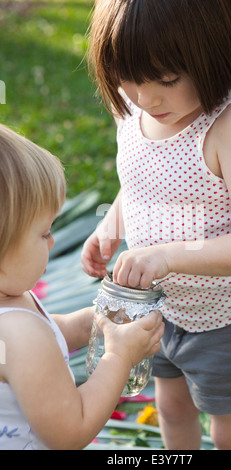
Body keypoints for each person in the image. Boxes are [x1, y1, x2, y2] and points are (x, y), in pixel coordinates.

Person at [81, 0, 231, 450]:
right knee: (172, 412)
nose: (146, 97)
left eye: (168, 80)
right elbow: (140, 184)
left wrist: (166, 256)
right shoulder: (134, 108)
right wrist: (110, 227)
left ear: (213, 54)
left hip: (228, 319)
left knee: (230, 433)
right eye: (129, 78)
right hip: (161, 311)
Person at [0, 124, 164, 450]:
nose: (52, 241)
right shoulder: (17, 333)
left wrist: (98, 320)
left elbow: (48, 333)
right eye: (44, 232)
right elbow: (70, 432)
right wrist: (119, 355)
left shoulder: (13, 303)